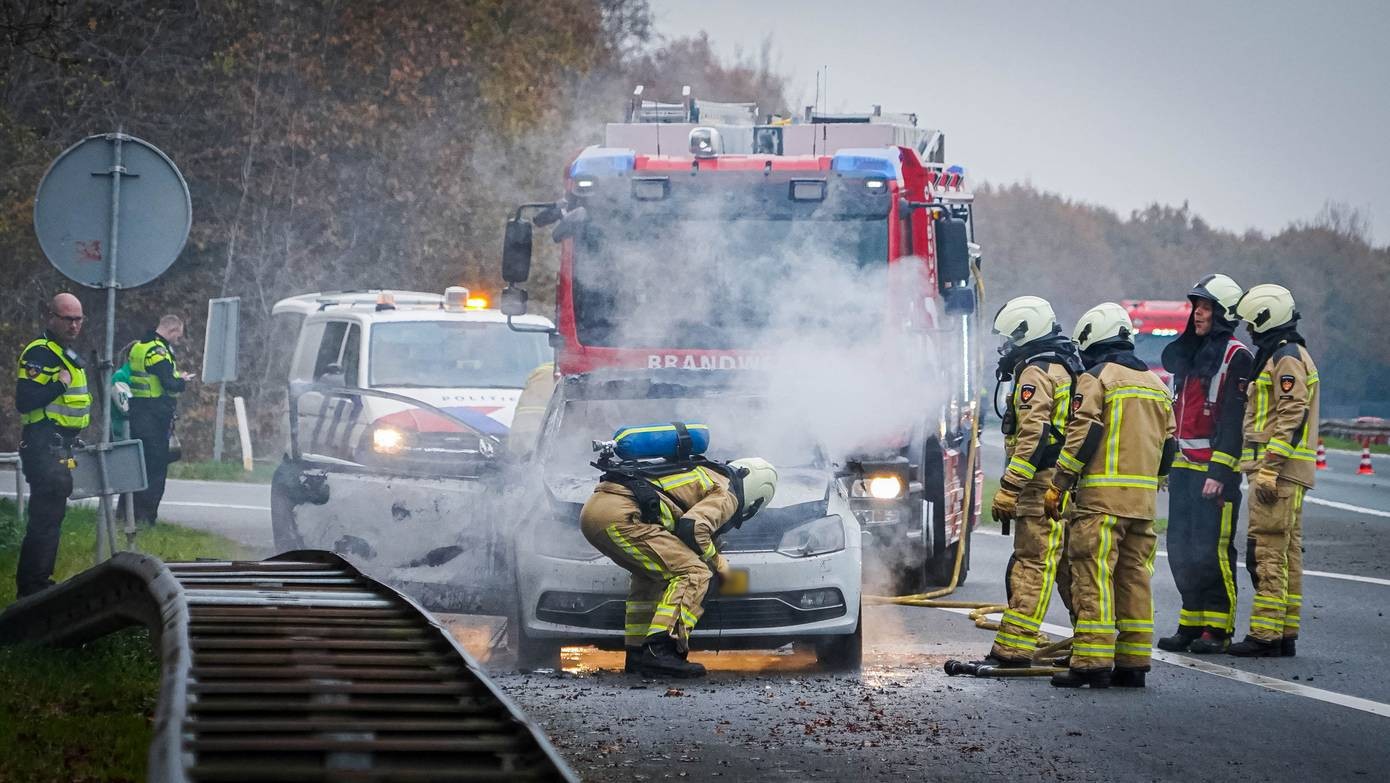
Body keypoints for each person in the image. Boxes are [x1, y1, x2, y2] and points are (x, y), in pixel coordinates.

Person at [579, 424, 777, 678]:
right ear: (758, 495)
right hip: (622, 517)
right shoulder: (729, 491)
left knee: (650, 579)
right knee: (694, 574)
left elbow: (679, 518)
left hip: (596, 512)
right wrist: (719, 565)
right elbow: (693, 527)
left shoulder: (704, 473)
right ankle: (662, 651)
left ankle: (638, 654)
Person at [1047, 303, 1176, 688]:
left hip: (1101, 502)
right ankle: (1133, 661)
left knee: (1093, 574)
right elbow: (1169, 448)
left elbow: (1082, 434)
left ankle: (1091, 661)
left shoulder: (1096, 378)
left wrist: (1060, 482)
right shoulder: (1156, 384)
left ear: (1091, 339)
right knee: (1134, 577)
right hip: (1143, 505)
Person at [1156, 275, 1254, 654]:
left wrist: (1220, 472)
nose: (1197, 314)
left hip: (1214, 475)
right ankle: (1191, 622)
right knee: (1181, 550)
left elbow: (1234, 421)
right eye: (1195, 306)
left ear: (1223, 313)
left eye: (1206, 307)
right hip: (1183, 469)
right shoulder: (1190, 353)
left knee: (1213, 552)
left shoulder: (1237, 356)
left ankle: (1219, 627)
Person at [984, 296, 1082, 666]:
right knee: (1069, 567)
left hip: (1040, 485)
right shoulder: (1065, 366)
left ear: (1026, 333)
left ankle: (1014, 648)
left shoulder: (1036, 372)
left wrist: (1010, 487)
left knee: (1033, 561)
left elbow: (1033, 435)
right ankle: (1092, 643)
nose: (1005, 348)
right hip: (1062, 484)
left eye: (1010, 340)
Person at [1228, 284, 1319, 657]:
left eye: (1252, 324)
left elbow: (1290, 416)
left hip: (1276, 472)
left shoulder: (1286, 358)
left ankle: (1265, 635)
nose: (1249, 331)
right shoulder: (1288, 354)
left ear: (1268, 318)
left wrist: (1269, 468)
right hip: (1285, 470)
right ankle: (1284, 631)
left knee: (1266, 549)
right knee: (1286, 551)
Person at [14, 293, 92, 597]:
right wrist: (58, 384)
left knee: (52, 516)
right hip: (43, 445)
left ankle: (39, 582)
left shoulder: (64, 352)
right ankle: (33, 587)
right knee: (45, 518)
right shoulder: (41, 352)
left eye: (78, 319)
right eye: (68, 319)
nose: (74, 325)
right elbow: (25, 401)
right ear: (52, 317)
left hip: (61, 449)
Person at [128, 314, 194, 526]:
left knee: (140, 468)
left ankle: (131, 514)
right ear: (172, 330)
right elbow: (168, 383)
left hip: (137, 412)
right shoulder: (158, 351)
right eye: (178, 336)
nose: (178, 340)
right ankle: (148, 518)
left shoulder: (139, 347)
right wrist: (181, 381)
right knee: (156, 468)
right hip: (154, 416)